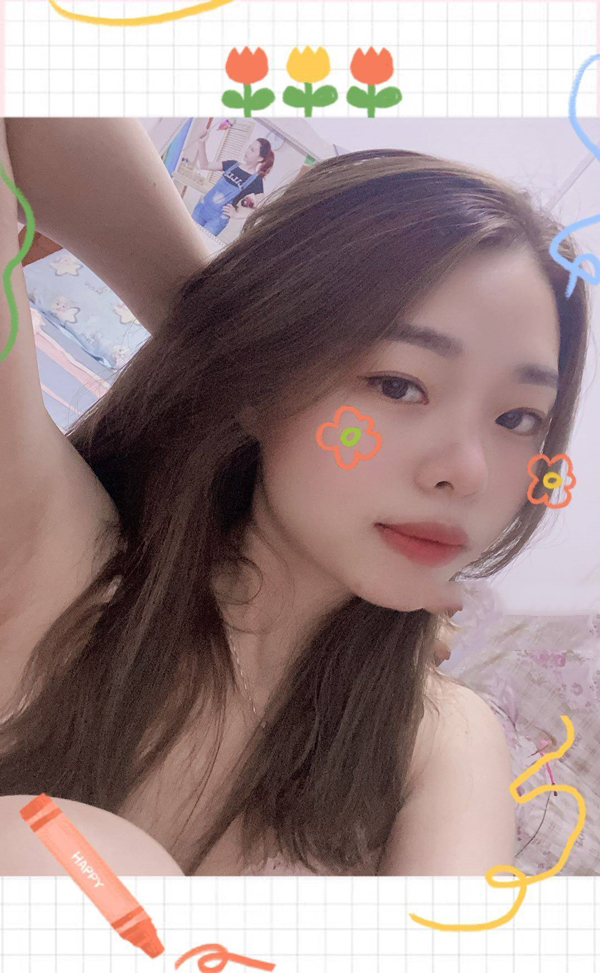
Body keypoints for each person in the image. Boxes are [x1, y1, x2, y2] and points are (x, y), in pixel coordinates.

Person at [0, 119, 589, 878]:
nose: (466, 472)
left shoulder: (436, 744)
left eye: (517, 419)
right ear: (268, 381)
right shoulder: (53, 555)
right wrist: (227, 342)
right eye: (398, 384)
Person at [190, 127, 274, 237]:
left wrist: (237, 215)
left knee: (198, 243)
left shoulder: (256, 180)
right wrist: (202, 143)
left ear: (260, 159)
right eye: (249, 147)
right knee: (185, 237)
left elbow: (262, 207)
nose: (247, 151)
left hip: (217, 220)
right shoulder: (232, 165)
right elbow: (205, 165)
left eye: (252, 150)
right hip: (201, 208)